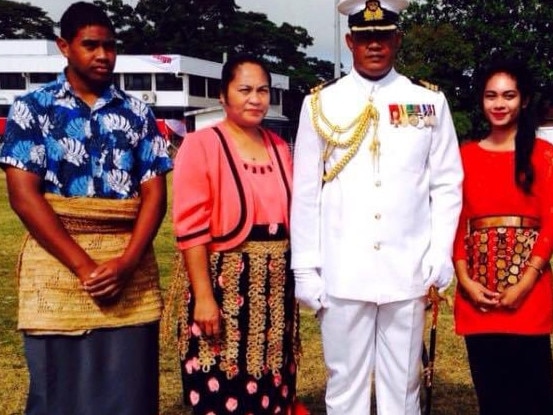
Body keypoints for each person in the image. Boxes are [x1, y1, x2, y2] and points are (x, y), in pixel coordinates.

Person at [290, 0, 463, 414]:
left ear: (397, 39)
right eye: (365, 37)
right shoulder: (320, 103)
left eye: (382, 36)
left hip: (407, 269)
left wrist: (439, 253)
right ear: (350, 41)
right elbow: (306, 191)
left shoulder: (427, 101)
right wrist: (305, 268)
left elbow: (446, 183)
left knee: (401, 387)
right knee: (344, 384)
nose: (374, 45)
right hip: (342, 271)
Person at [0, 2, 173, 414]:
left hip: (127, 264)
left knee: (128, 391)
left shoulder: (136, 113)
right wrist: (83, 267)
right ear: (64, 46)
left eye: (110, 46)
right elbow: (23, 194)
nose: (102, 55)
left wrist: (127, 264)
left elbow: (155, 195)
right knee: (59, 391)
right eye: (90, 45)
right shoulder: (33, 108)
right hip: (58, 266)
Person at [171, 54, 304, 415]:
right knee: (223, 383)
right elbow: (190, 226)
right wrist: (203, 296)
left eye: (262, 90)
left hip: (274, 292)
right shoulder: (202, 145)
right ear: (223, 96)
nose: (255, 99)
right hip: (224, 286)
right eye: (244, 89)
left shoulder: (279, 147)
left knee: (273, 382)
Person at [453, 59, 553, 415]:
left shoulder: (543, 155)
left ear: (523, 100)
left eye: (508, 96)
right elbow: (454, 223)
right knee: (492, 395)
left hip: (529, 294)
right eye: (491, 95)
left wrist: (525, 283)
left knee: (535, 395)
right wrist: (464, 280)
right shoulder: (463, 157)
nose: (499, 104)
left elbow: (550, 223)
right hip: (478, 295)